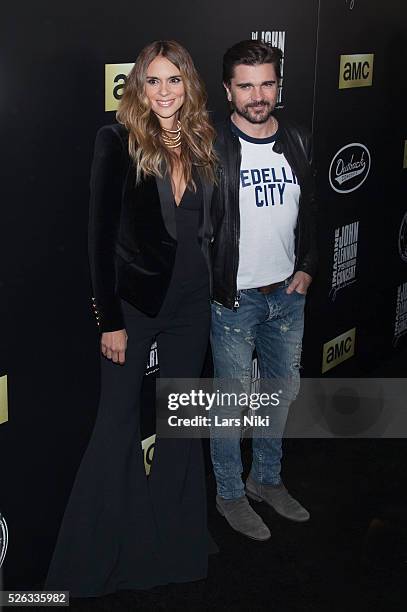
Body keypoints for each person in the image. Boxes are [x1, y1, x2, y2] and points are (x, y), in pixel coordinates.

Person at [45, 40, 217, 596]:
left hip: (193, 307)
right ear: (137, 87)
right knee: (117, 425)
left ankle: (177, 551)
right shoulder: (116, 141)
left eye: (174, 80)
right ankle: (87, 568)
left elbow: (209, 229)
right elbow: (98, 239)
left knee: (181, 428)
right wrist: (109, 320)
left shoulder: (200, 140)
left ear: (188, 84)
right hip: (136, 308)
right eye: (153, 81)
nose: (164, 92)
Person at [210, 40, 317, 540]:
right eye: (246, 85)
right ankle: (230, 494)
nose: (258, 96)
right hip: (236, 300)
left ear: (278, 85)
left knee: (280, 395)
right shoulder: (212, 145)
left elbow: (313, 208)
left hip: (287, 296)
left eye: (267, 84)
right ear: (228, 89)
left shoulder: (297, 136)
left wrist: (308, 266)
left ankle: (267, 480)